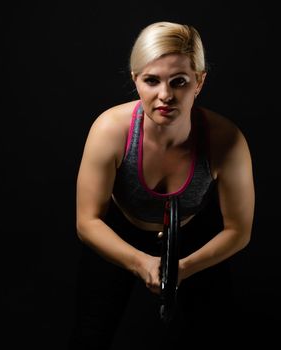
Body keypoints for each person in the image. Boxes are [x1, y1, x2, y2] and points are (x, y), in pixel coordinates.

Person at [68, 21, 255, 349]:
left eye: (179, 82)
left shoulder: (226, 139)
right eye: (151, 81)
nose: (165, 96)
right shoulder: (110, 130)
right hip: (119, 231)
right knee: (89, 335)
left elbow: (239, 230)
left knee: (217, 335)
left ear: (199, 81)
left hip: (194, 235)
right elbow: (87, 222)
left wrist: (183, 268)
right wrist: (142, 262)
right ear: (135, 80)